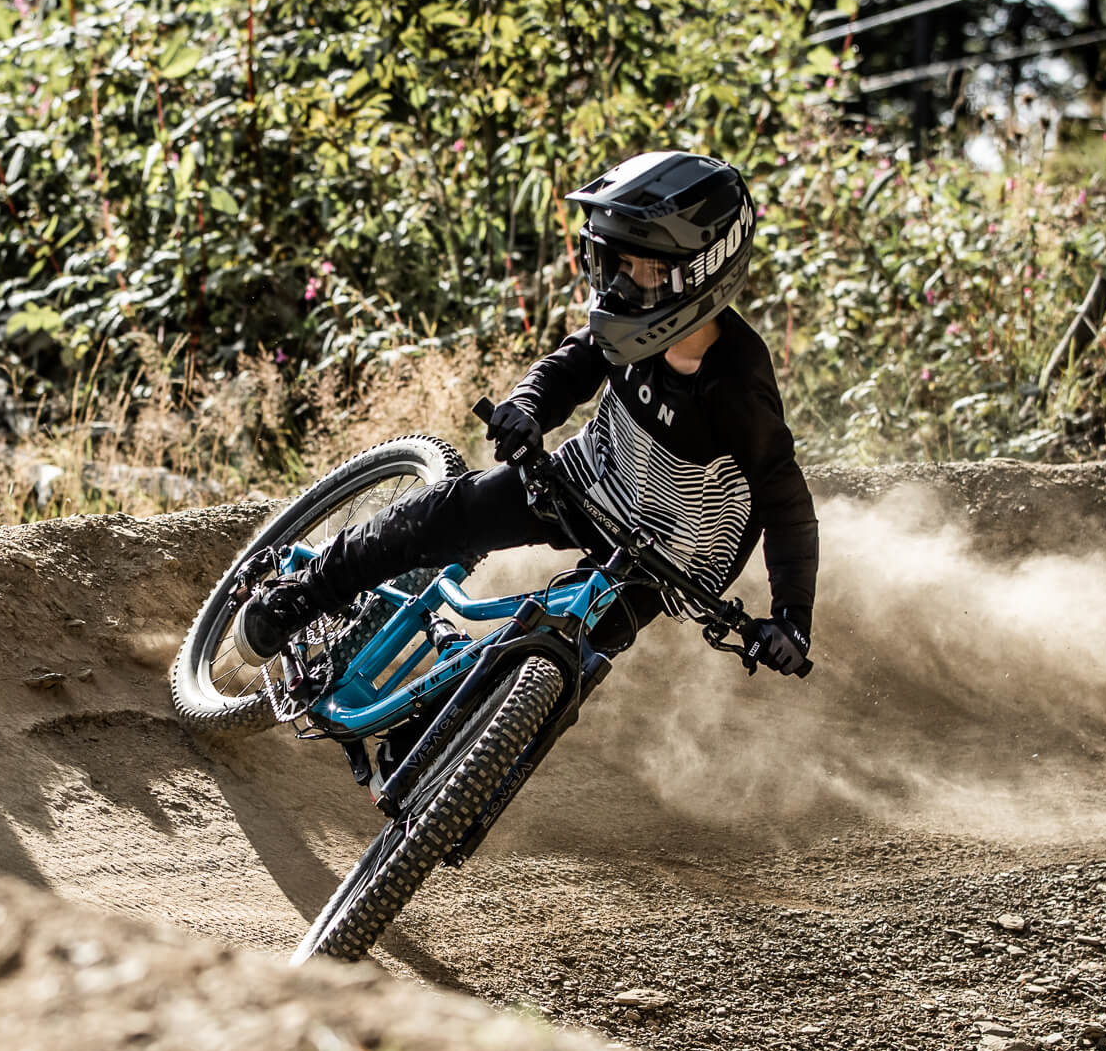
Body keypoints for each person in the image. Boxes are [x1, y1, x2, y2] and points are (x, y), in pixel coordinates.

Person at [234, 150, 817, 676]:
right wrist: (526, 410)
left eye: (644, 272)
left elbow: (786, 504)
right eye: (613, 264)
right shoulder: (623, 330)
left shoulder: (738, 388)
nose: (617, 288)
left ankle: (452, 736)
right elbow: (564, 370)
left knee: (571, 658)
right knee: (449, 513)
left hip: (672, 557)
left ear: (703, 274)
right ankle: (304, 594)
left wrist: (791, 618)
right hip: (591, 481)